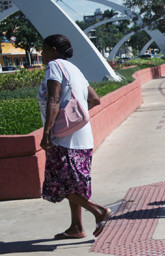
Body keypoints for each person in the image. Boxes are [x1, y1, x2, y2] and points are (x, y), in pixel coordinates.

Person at [38, 34, 111, 239]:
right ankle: (76, 227)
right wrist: (75, 118)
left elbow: (53, 99)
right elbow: (95, 99)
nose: (41, 54)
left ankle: (99, 211)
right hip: (83, 137)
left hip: (63, 138)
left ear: (53, 50)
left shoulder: (54, 66)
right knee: (72, 184)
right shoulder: (75, 69)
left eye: (43, 49)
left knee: (56, 184)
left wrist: (47, 132)